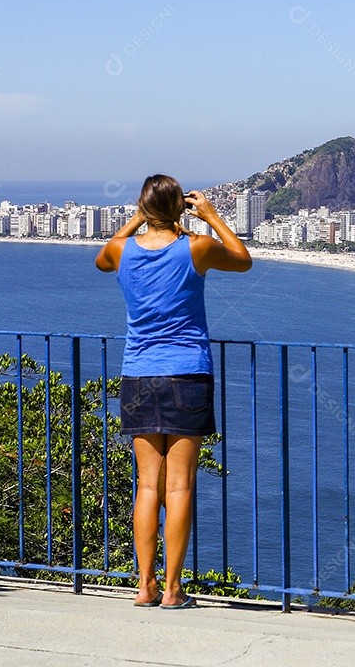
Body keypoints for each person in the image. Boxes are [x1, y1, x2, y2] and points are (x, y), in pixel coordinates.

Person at [95, 174, 252, 609]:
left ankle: (142, 587)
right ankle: (172, 590)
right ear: (179, 207)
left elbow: (100, 260)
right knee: (179, 486)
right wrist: (211, 216)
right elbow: (243, 259)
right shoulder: (195, 248)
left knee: (148, 486)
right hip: (187, 375)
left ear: (144, 208)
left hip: (138, 377)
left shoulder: (120, 251)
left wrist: (135, 221)